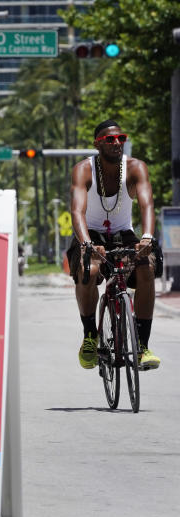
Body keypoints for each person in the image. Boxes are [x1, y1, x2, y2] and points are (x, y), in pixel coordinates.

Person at [67, 120, 162, 371]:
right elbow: (77, 210)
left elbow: (147, 204)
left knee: (147, 268)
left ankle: (142, 346)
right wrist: (87, 243)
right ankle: (89, 336)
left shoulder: (135, 167)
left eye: (121, 138)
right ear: (97, 144)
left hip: (124, 234)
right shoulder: (83, 170)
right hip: (91, 234)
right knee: (90, 271)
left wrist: (148, 237)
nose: (117, 142)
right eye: (110, 140)